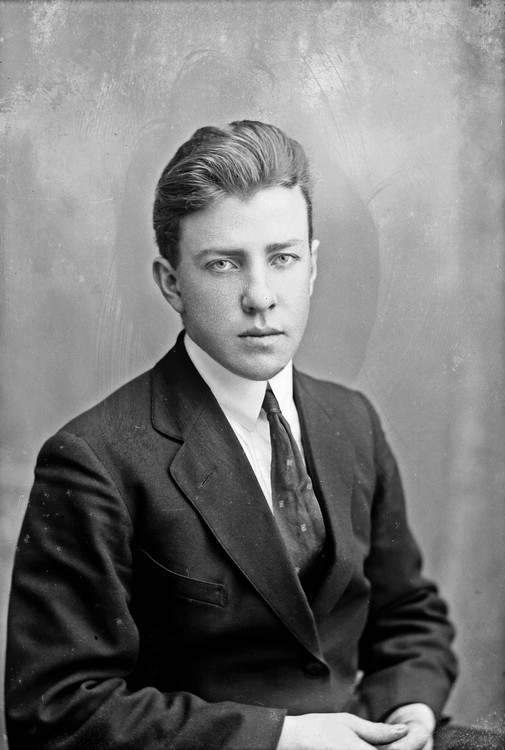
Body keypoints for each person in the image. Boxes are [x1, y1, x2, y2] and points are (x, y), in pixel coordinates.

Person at [4, 120, 491, 750]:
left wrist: (411, 710)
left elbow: (407, 614)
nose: (260, 297)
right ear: (172, 283)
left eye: (282, 258)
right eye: (223, 264)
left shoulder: (352, 420)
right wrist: (285, 739)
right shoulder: (96, 459)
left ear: (311, 267)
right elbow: (56, 711)